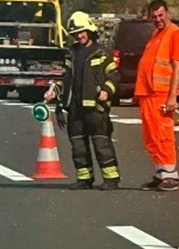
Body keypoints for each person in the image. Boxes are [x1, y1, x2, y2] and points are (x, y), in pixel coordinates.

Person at [44, 11, 121, 190]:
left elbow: (114, 75)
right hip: (75, 108)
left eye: (82, 31)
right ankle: (84, 179)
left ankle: (111, 179)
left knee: (102, 144)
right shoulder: (71, 53)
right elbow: (66, 79)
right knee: (78, 146)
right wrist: (54, 91)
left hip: (96, 108)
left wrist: (107, 91)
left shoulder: (102, 53)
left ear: (89, 30)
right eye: (76, 33)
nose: (79, 36)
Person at [134, 0, 179, 192]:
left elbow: (177, 66)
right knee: (151, 136)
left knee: (163, 133)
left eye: (160, 15)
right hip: (148, 92)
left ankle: (170, 175)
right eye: (154, 16)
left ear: (168, 12)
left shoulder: (175, 34)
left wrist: (172, 96)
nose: (158, 19)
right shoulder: (157, 33)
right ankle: (160, 173)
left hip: (161, 93)